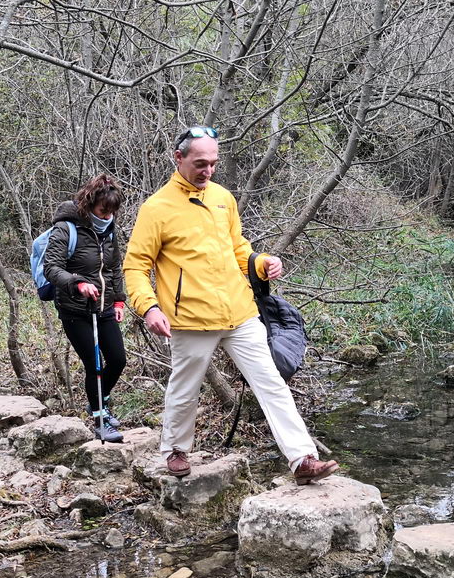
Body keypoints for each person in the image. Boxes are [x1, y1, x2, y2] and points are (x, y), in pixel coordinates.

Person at [123, 126, 340, 484]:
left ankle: (302, 459)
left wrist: (261, 263)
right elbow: (135, 266)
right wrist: (149, 307)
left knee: (271, 382)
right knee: (185, 387)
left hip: (239, 312)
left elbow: (238, 248)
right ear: (178, 159)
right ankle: (176, 450)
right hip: (190, 318)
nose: (207, 171)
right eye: (200, 163)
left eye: (213, 163)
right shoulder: (157, 208)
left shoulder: (223, 197)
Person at [43, 174, 128, 442]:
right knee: (95, 365)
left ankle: (97, 402)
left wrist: (118, 299)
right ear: (90, 204)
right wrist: (77, 283)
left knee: (118, 360)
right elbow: (51, 267)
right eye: (104, 210)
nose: (108, 215)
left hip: (103, 305)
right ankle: (101, 420)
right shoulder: (66, 229)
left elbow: (113, 267)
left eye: (112, 211)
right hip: (75, 309)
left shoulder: (109, 229)